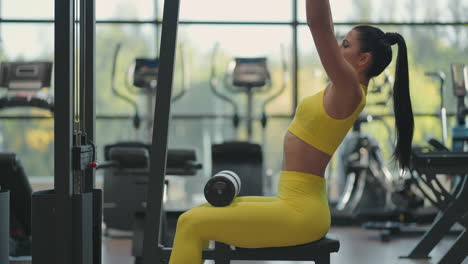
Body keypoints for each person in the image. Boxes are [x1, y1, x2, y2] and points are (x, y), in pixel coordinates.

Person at [168, 0, 414, 263]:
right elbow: (326, 25)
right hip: (292, 201)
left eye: (345, 45)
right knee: (199, 214)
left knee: (190, 223)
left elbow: (319, 26)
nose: (337, 48)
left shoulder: (350, 91)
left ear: (363, 59)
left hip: (300, 213)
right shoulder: (343, 89)